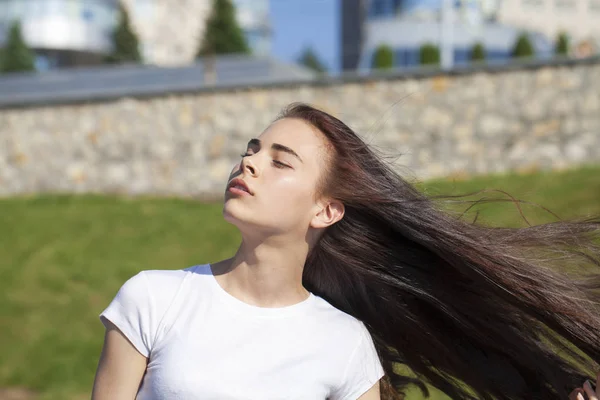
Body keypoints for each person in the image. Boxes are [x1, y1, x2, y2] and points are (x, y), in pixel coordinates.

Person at [92, 103, 600, 400]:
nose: (248, 164)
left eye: (280, 161)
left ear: (326, 211)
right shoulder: (153, 299)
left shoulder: (345, 343)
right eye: (251, 150)